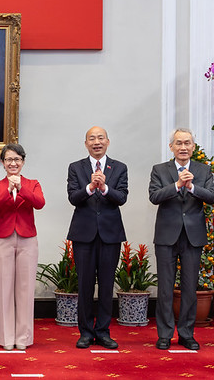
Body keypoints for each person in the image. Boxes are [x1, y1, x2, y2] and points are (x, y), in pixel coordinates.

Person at [148, 128, 214, 351]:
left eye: (187, 143)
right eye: (179, 143)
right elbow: (154, 196)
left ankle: (187, 334)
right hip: (167, 235)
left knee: (189, 288)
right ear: (171, 147)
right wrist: (177, 185)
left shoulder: (203, 170)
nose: (183, 147)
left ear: (193, 147)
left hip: (193, 236)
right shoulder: (160, 170)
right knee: (166, 288)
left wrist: (192, 186)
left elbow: (212, 197)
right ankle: (165, 335)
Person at [66, 126, 128, 349]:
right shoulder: (76, 167)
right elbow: (74, 197)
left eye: (100, 138)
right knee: (84, 285)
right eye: (91, 139)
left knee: (106, 284)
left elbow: (121, 197)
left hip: (110, 234)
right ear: (86, 144)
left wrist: (106, 187)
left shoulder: (119, 168)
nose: (96, 142)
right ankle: (85, 332)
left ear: (108, 142)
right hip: (83, 234)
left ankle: (103, 331)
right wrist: (91, 187)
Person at [0, 143, 45, 351]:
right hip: (3, 238)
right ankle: (6, 338)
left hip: (27, 238)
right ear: (2, 163)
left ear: (23, 162)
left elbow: (39, 203)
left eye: (17, 159)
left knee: (25, 289)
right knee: (3, 289)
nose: (13, 163)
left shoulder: (32, 183)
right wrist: (8, 190)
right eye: (9, 159)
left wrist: (21, 188)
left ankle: (23, 338)